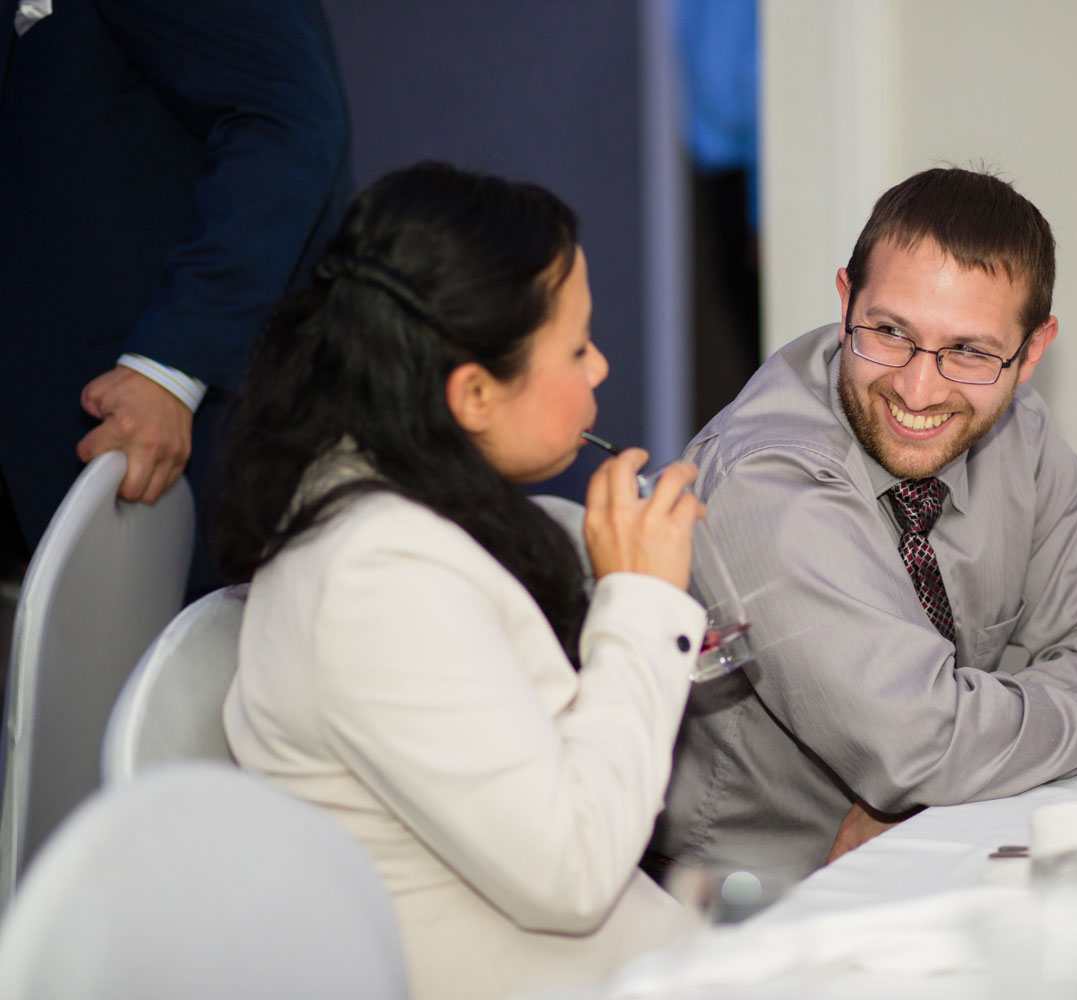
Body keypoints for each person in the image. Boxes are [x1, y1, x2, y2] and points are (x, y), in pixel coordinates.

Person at [218, 162, 708, 1000]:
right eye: (578, 347)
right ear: (474, 392)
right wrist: (644, 603)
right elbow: (573, 870)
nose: (601, 370)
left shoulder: (404, 508)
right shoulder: (375, 578)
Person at [649, 167, 1077, 882]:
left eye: (970, 351)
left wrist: (950, 772)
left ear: (1031, 352)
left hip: (949, 850)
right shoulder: (767, 479)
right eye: (889, 332)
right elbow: (919, 745)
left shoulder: (1017, 428)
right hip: (748, 902)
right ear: (846, 299)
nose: (919, 389)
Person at [0, 0, 352, 594]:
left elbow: (287, 119)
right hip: (52, 445)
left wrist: (172, 366)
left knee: (181, 682)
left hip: (159, 447)